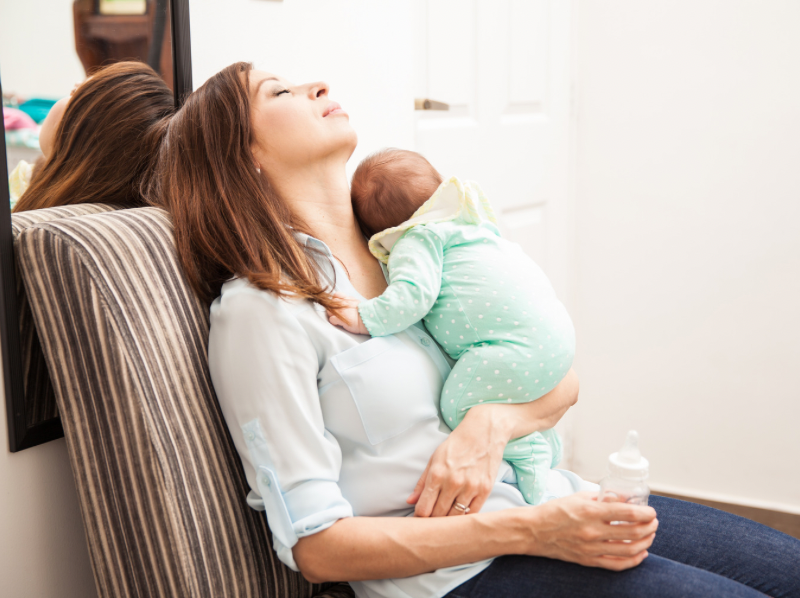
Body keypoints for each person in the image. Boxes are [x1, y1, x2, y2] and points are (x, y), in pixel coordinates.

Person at [149, 61, 800, 598]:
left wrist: (492, 426)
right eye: (280, 92)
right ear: (247, 158)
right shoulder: (262, 312)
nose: (317, 84)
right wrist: (535, 533)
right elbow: (317, 549)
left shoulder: (414, 236)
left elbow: (560, 378)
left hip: (550, 502)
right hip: (458, 574)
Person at [331, 148, 571, 506]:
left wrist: (366, 317)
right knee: (511, 398)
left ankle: (529, 452)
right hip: (555, 338)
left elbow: (414, 296)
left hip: (507, 350)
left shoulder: (419, 238)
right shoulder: (469, 226)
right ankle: (544, 440)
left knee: (459, 407)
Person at [11, 61, 174, 212]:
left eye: (74, 94)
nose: (72, 87)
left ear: (77, 140)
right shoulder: (29, 174)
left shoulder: (22, 183)